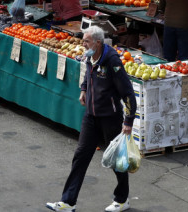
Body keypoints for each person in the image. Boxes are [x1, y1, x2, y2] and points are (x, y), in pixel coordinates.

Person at [47, 25, 135, 212]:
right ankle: (68, 202)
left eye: (86, 40)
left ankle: (122, 199)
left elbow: (128, 93)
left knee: (116, 160)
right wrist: (84, 89)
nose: (83, 43)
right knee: (80, 156)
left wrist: (128, 122)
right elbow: (89, 74)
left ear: (97, 42)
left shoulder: (112, 61)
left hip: (110, 117)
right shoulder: (90, 56)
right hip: (91, 116)